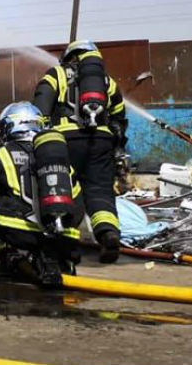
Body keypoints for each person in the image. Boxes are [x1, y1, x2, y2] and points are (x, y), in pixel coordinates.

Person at [0, 102, 80, 288]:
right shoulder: (59, 160)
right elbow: (78, 203)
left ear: (9, 126)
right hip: (65, 236)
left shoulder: (2, 155)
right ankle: (55, 259)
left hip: (22, 231)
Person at [32, 40, 126, 263]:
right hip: (101, 142)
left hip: (65, 140)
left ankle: (67, 244)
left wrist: (41, 138)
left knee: (65, 189)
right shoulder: (107, 82)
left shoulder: (56, 74)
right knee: (100, 191)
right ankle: (108, 235)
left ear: (70, 56)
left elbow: (40, 108)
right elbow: (120, 119)